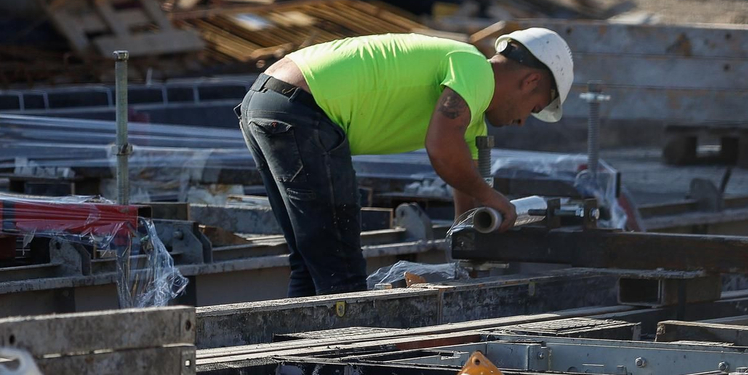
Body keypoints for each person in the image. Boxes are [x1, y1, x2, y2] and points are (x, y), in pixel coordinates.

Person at [236, 28, 574, 298]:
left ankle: (297, 360)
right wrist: (492, 198)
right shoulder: (474, 67)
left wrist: (472, 246)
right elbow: (440, 147)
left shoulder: (472, 120)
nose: (521, 123)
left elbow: (464, 197)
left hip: (269, 102)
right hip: (304, 110)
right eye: (532, 109)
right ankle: (339, 368)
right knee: (341, 270)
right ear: (530, 81)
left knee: (313, 262)